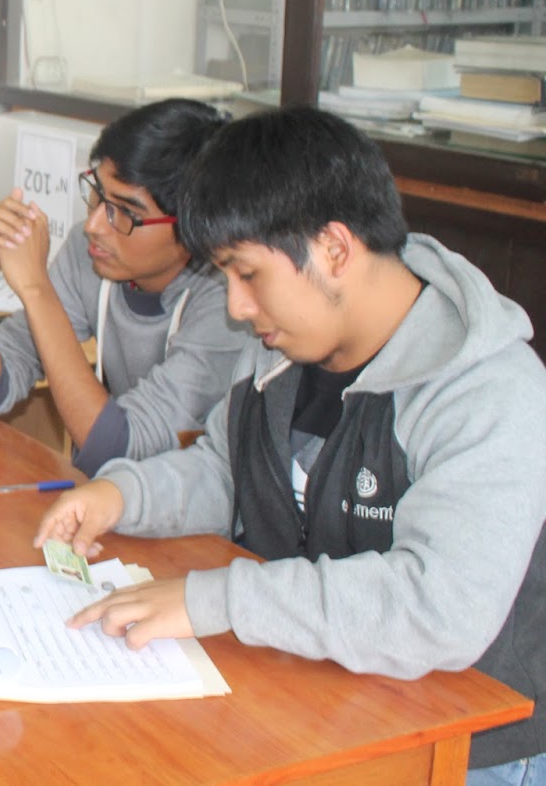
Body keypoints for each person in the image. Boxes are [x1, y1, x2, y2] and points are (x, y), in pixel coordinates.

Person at [35, 106, 546, 781]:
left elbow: (438, 609)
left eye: (247, 274)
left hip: (465, 746)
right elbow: (226, 470)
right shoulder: (288, 346)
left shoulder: (488, 388)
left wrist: (212, 601)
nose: (237, 307)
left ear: (334, 249)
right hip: (317, 697)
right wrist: (122, 495)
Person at [0, 98, 246, 475]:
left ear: (193, 227)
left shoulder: (229, 305)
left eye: (126, 212)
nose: (93, 225)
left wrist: (36, 289)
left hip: (192, 506)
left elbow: (116, 448)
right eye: (97, 194)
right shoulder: (90, 255)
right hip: (117, 498)